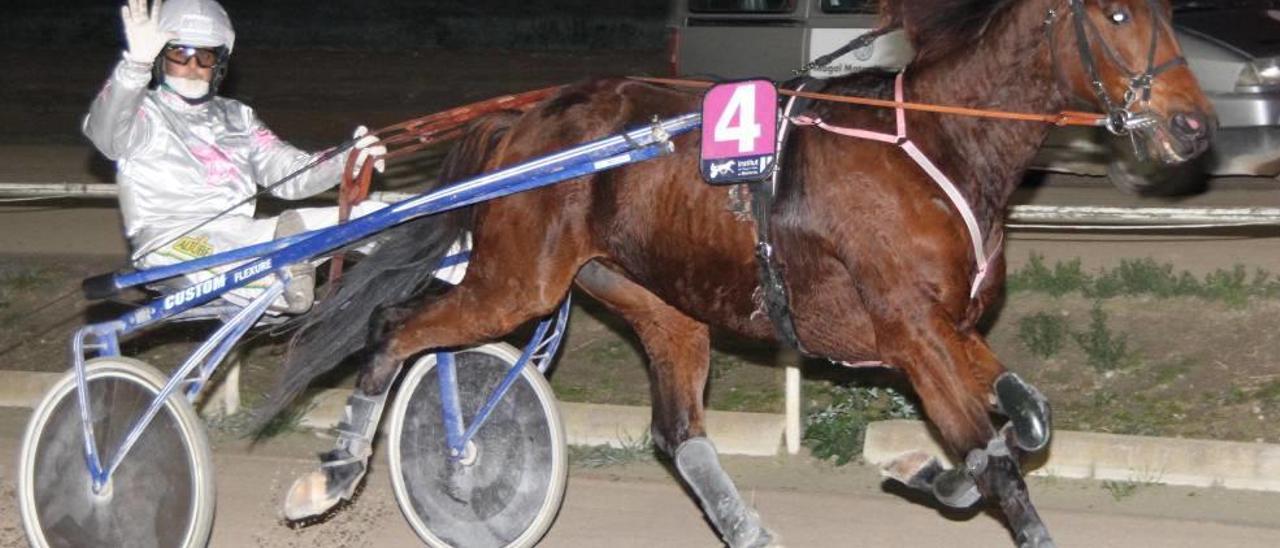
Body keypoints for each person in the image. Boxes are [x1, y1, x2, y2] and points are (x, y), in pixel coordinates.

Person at [83, 0, 388, 313]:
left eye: (205, 56)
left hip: (242, 235)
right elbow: (104, 134)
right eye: (180, 53)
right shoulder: (142, 113)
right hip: (172, 242)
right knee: (273, 264)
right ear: (161, 57)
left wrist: (347, 157)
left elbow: (290, 176)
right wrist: (135, 66)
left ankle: (437, 283)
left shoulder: (238, 117)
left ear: (219, 64)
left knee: (374, 216)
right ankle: (286, 275)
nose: (192, 65)